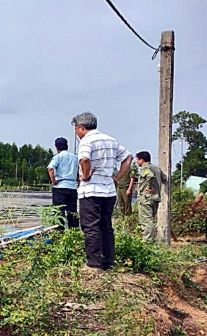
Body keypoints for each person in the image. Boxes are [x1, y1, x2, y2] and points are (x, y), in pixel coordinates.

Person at [73, 112, 133, 270]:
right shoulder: (110, 140)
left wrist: (86, 175)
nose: (76, 133)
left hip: (91, 191)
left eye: (76, 129)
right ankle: (107, 262)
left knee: (90, 227)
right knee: (106, 227)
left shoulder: (86, 141)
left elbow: (84, 159)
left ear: (81, 127)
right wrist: (117, 177)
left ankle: (93, 264)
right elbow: (128, 158)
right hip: (108, 190)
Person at [47, 137, 79, 228]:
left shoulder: (57, 157)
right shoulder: (75, 157)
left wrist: (53, 181)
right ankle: (74, 231)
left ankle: (59, 232)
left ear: (56, 147)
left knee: (59, 212)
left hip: (60, 187)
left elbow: (50, 169)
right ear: (67, 146)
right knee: (72, 212)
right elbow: (81, 170)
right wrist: (79, 180)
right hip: (72, 187)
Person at [135, 151, 163, 242]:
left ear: (142, 160)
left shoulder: (145, 168)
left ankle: (148, 242)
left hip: (146, 198)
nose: (137, 162)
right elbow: (164, 178)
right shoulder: (157, 168)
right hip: (155, 198)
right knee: (150, 220)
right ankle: (151, 240)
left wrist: (149, 187)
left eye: (137, 160)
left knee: (146, 221)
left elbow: (150, 176)